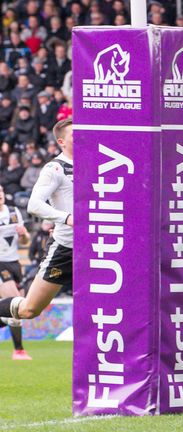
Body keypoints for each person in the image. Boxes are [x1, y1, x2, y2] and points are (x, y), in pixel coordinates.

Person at [0, 119, 73, 325]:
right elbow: (34, 205)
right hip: (66, 248)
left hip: (98, 246)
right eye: (74, 136)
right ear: (61, 142)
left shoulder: (94, 163)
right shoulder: (55, 168)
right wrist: (66, 218)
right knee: (29, 309)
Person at [0, 184, 31, 359]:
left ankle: (18, 350)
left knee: (17, 311)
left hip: (15, 264)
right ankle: (18, 351)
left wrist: (24, 234)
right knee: (16, 303)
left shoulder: (14, 212)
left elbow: (25, 242)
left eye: (1, 191)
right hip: (0, 265)